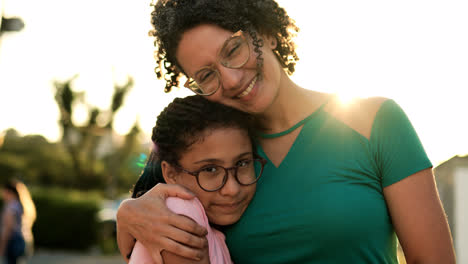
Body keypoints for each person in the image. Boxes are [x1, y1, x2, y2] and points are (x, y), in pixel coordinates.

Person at [116, 0, 456, 263]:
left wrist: (126, 214)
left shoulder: (376, 121)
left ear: (267, 33)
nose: (232, 79)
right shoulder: (215, 158)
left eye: (233, 49)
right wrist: (127, 214)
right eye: (206, 75)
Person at [128, 95, 266, 264]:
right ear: (171, 174)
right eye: (210, 169)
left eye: (243, 163)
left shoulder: (205, 224)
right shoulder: (179, 213)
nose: (232, 189)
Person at [0, 179, 36, 264]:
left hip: (13, 242)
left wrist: (2, 246)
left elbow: (8, 229)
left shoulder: (11, 207)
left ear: (9, 192)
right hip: (25, 241)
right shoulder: (23, 206)